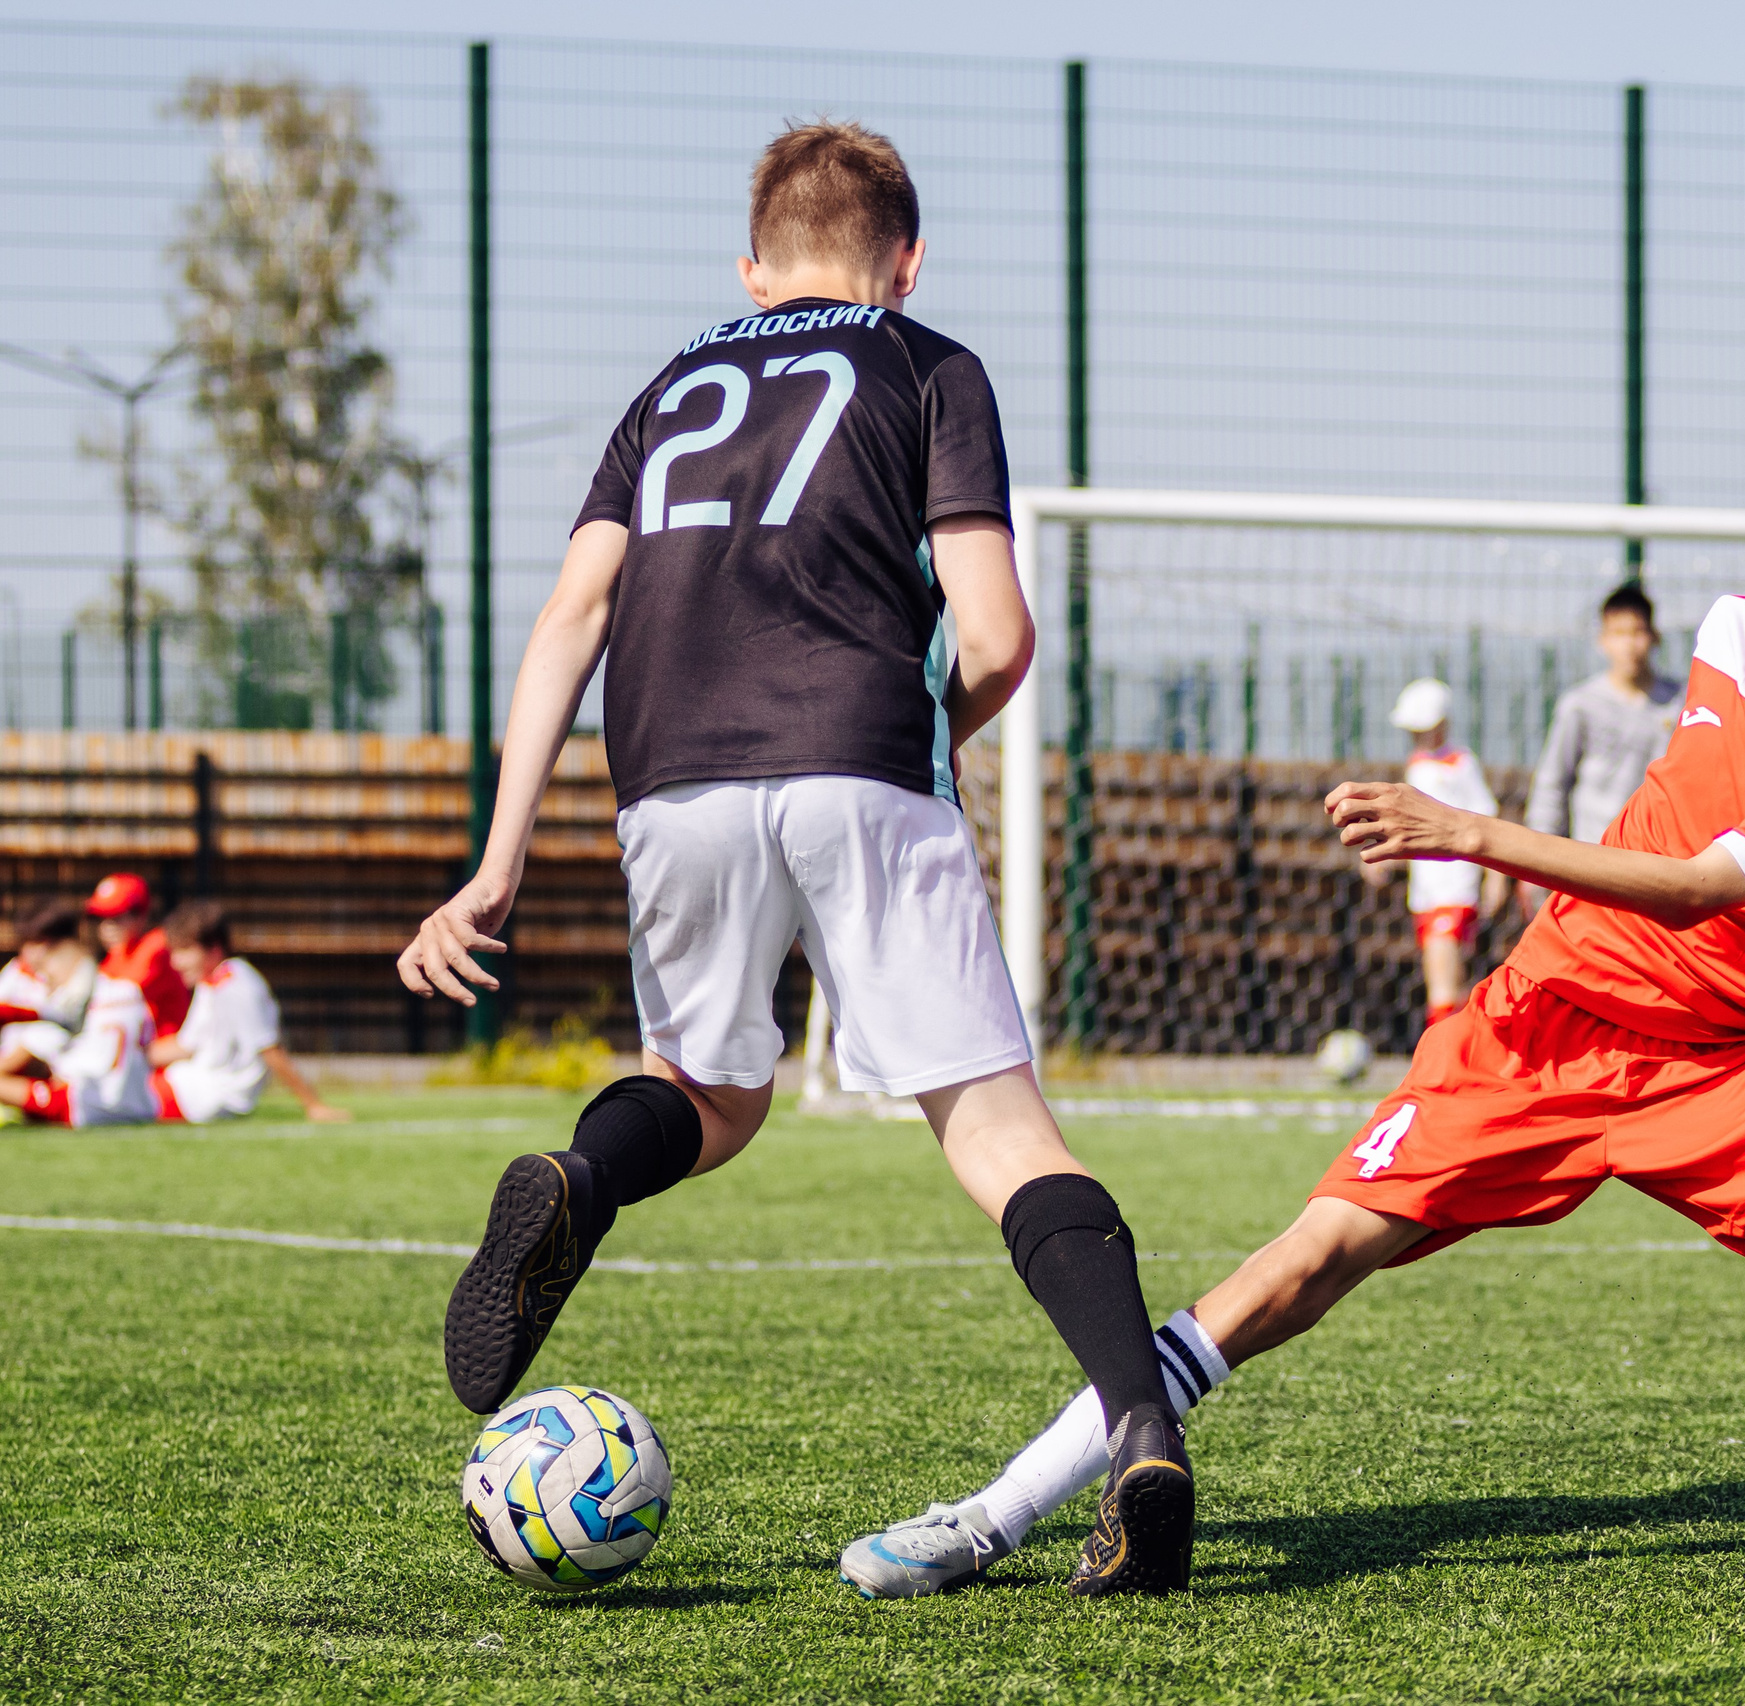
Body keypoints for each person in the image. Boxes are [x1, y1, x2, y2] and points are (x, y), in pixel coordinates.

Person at [848, 438, 1745, 1592]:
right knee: (1298, 1266)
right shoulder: (1733, 632)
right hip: (1548, 1021)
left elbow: (1697, 888)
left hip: (1732, 1064)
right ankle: (991, 1514)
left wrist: (1469, 831)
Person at [396, 121, 1193, 1597]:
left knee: (711, 1095)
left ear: (752, 269)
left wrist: (493, 862)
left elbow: (571, 619)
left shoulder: (670, 387)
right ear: (907, 260)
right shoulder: (929, 365)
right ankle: (1141, 1428)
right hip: (858, 753)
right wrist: (931, 729)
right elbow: (999, 630)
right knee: (1000, 1132)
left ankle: (582, 1174)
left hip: (672, 775)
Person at [1519, 581, 1681, 916]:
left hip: (1659, 864)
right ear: (1602, 640)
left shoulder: (1681, 702)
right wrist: (1535, 861)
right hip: (1593, 862)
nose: (1629, 644)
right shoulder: (1580, 705)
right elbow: (1552, 783)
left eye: (1637, 632)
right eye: (1618, 633)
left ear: (1654, 637)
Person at [1371, 678, 1510, 1029]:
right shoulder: (1417, 765)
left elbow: (1487, 818)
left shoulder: (1460, 763)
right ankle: (1463, 1044)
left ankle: (1441, 1049)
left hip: (1455, 887)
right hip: (1426, 892)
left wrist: (1495, 878)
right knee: (1449, 977)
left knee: (1442, 979)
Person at [150, 900, 348, 1124]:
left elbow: (269, 1048)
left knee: (122, 1103)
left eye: (184, 951)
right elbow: (185, 1045)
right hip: (187, 1086)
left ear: (214, 948)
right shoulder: (210, 983)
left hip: (205, 1096)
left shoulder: (237, 984)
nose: (175, 963)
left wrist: (313, 1104)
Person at [0, 921, 159, 1128]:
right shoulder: (127, 990)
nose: (45, 978)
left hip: (86, 1104)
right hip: (141, 1104)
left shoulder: (68, 1004)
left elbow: (21, 1054)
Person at [86, 872, 191, 1040]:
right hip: (133, 1049)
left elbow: (123, 995)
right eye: (102, 918)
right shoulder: (117, 953)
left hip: (166, 1049)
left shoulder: (158, 946)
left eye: (116, 917)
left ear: (141, 915)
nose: (107, 927)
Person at [0, 898, 95, 1061]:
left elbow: (63, 1023)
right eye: (26, 942)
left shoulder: (86, 975)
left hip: (60, 1063)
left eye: (39, 943)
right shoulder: (18, 969)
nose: (30, 951)